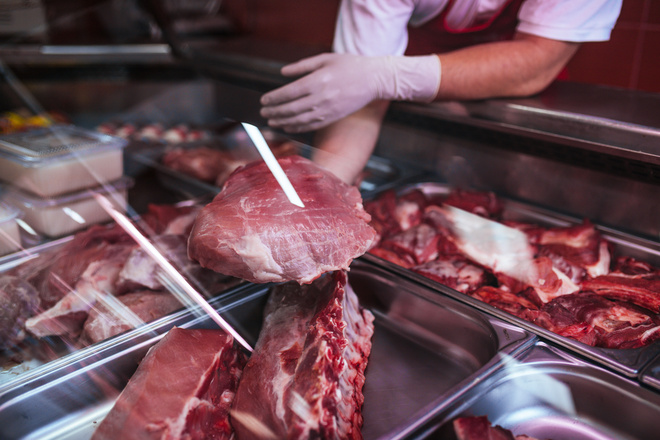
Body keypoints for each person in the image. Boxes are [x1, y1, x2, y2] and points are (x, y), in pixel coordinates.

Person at [259, 0, 623, 184]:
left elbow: (539, 60)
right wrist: (320, 195)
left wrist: (389, 76)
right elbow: (360, 106)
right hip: (417, 125)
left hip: (526, 126)